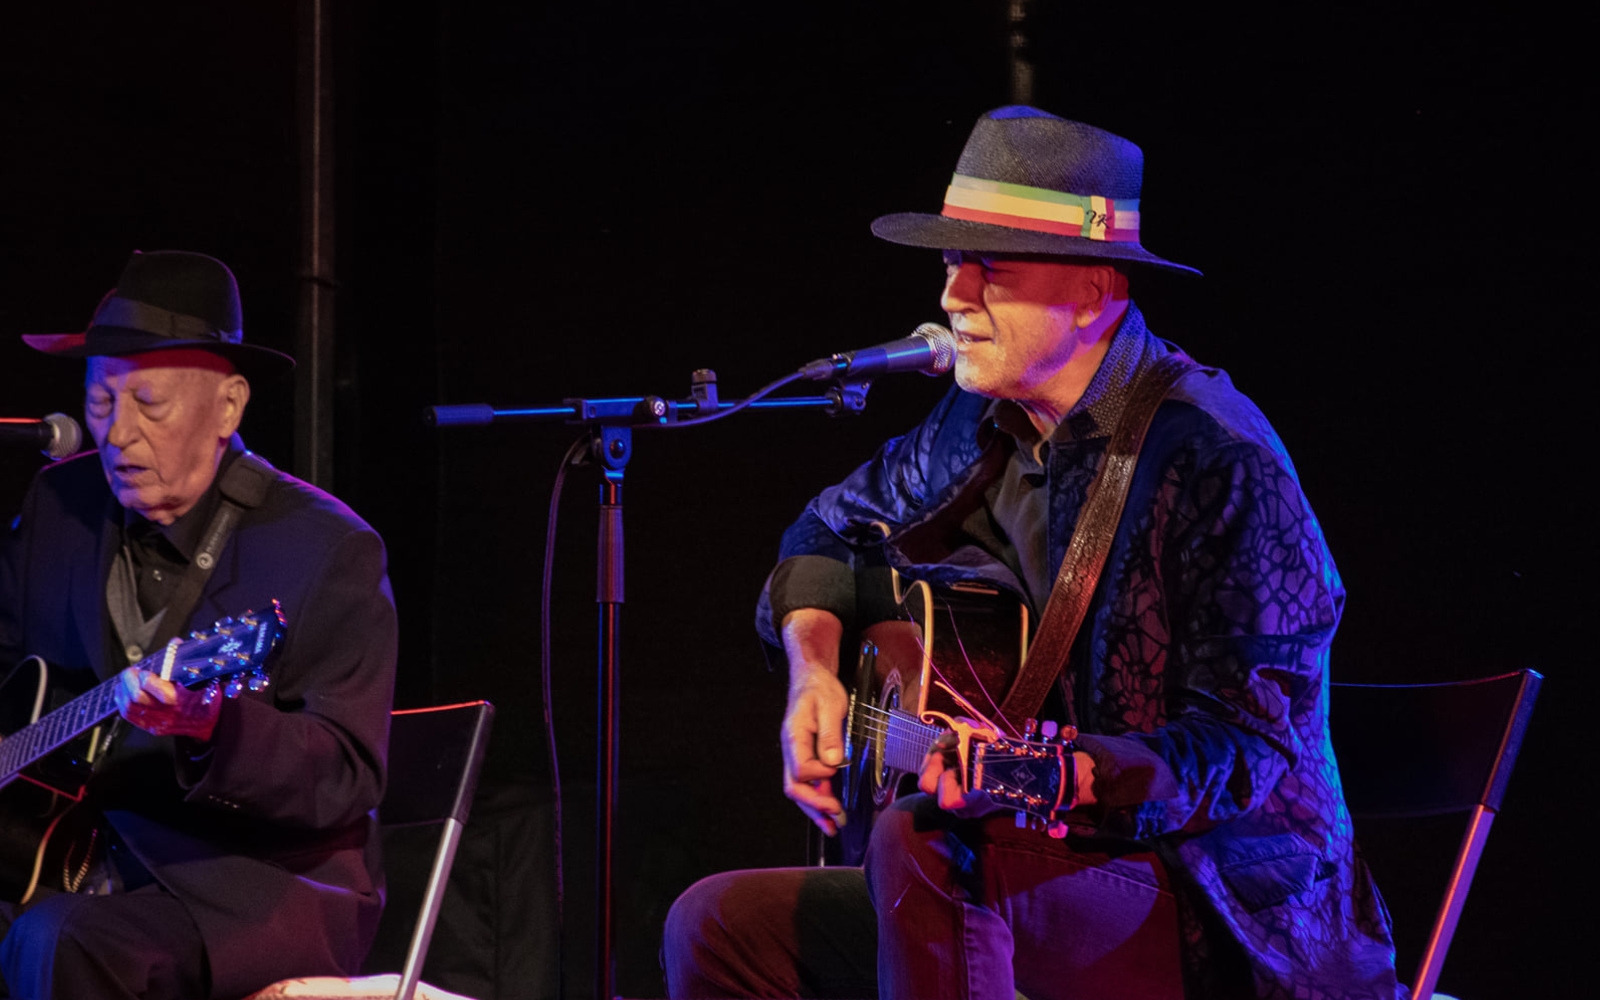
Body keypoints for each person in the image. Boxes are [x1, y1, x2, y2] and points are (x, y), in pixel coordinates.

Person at [663, 108, 1401, 999]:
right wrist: (813, 673)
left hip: (1222, 906)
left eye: (992, 268)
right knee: (718, 924)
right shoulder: (973, 422)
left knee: (923, 842)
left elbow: (1244, 747)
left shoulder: (1218, 459)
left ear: (1092, 291)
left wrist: (1060, 776)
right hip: (1029, 864)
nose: (953, 295)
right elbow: (827, 530)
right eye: (951, 261)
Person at [0, 250, 398, 999]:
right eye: (100, 402)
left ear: (228, 407)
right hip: (58, 849)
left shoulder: (325, 546)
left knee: (57, 939)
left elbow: (346, 773)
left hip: (245, 884)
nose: (117, 434)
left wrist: (215, 730)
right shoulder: (60, 504)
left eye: (148, 404)